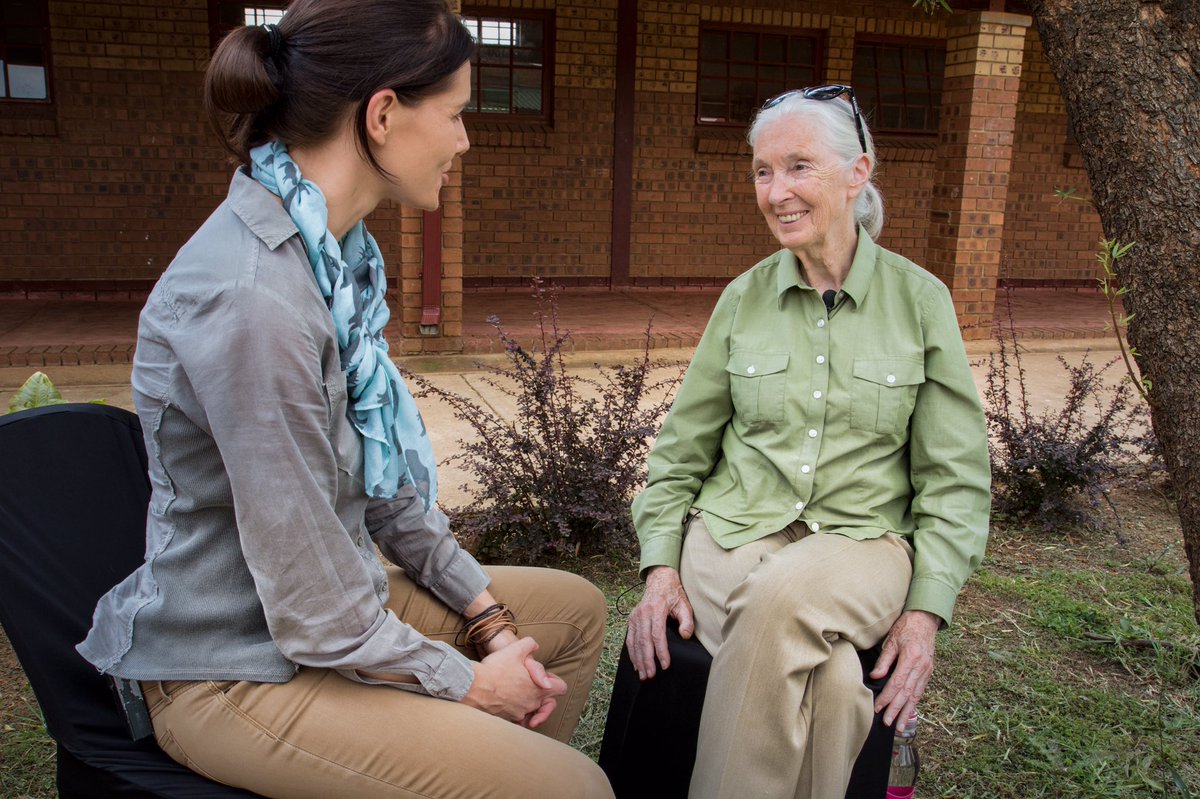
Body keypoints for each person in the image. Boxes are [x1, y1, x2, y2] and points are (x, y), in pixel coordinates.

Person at [76, 2, 614, 797]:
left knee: (567, 612)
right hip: (231, 666)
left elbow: (384, 485)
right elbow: (314, 611)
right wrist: (470, 681)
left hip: (317, 614)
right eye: (458, 113)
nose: (466, 140)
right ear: (385, 114)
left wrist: (489, 620)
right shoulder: (255, 300)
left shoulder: (336, 261)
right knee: (571, 787)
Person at [625, 85, 990, 799]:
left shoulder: (922, 303)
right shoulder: (742, 298)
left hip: (865, 541)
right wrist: (659, 567)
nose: (776, 191)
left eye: (798, 166)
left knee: (782, 599)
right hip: (733, 530)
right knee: (830, 677)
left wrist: (924, 612)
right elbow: (680, 453)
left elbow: (955, 476)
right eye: (762, 170)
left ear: (858, 173)